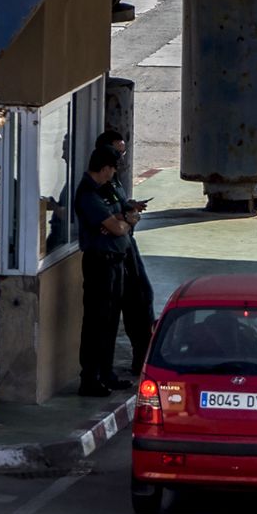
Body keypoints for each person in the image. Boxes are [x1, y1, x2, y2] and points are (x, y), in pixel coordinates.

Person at [73, 146, 139, 397]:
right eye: (112, 169)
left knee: (111, 321)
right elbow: (119, 227)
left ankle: (106, 372)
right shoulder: (88, 195)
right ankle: (89, 377)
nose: (113, 174)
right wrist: (123, 222)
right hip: (99, 262)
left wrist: (123, 219)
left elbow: (126, 214)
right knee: (96, 322)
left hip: (116, 261)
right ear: (104, 168)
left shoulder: (108, 189)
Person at [95, 130, 156, 375]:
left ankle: (143, 355)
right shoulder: (98, 185)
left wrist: (128, 208)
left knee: (143, 299)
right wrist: (126, 218)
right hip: (112, 252)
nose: (120, 160)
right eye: (116, 154)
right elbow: (108, 220)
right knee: (117, 311)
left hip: (126, 246)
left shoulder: (114, 181)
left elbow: (118, 208)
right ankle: (105, 370)